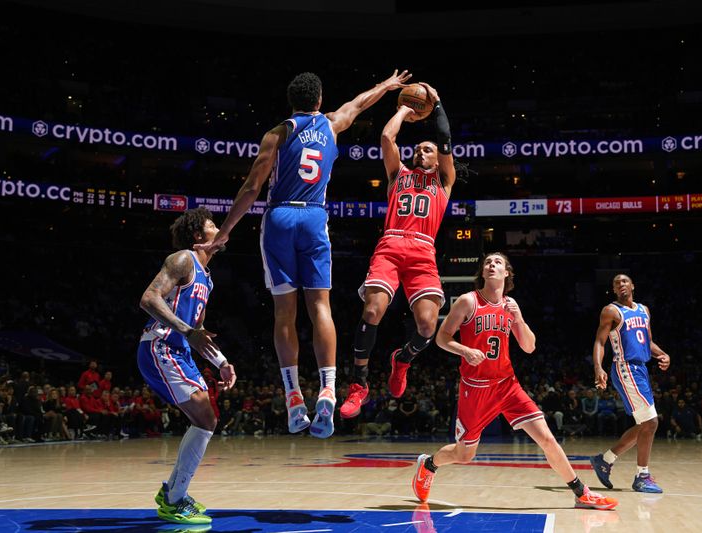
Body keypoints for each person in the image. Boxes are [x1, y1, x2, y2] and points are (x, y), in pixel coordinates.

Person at [196, 70, 411, 438]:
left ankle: (294, 397)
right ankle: (328, 388)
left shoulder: (276, 133)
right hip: (314, 216)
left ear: (290, 101)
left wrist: (225, 232)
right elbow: (359, 103)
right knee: (320, 308)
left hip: (279, 216)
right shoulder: (330, 124)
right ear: (320, 99)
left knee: (285, 312)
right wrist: (386, 86)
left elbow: (251, 187)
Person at [412, 252, 617, 510]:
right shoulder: (467, 301)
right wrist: (464, 350)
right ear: (483, 272)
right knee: (464, 454)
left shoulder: (511, 306)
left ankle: (580, 492)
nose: (491, 265)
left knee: (546, 437)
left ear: (507, 272)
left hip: (507, 385)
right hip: (475, 389)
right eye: (487, 262)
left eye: (497, 262)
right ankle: (428, 465)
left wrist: (518, 318)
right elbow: (443, 338)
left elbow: (529, 347)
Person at [341, 83, 457, 418]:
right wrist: (406, 109)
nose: (420, 152)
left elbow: (446, 138)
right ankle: (358, 384)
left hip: (423, 251)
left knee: (426, 327)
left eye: (427, 150)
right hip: (390, 245)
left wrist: (435, 105)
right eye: (418, 149)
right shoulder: (398, 174)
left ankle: (401, 359)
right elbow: (387, 139)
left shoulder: (444, 181)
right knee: (373, 311)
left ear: (438, 161)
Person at [138, 207, 236, 525]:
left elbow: (199, 334)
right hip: (160, 346)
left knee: (207, 419)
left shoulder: (207, 280)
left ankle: (173, 493)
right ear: (198, 236)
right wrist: (187, 331)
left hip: (180, 351)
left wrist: (222, 363)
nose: (219, 229)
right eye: (212, 225)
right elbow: (149, 298)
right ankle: (174, 498)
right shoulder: (182, 259)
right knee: (205, 416)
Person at [589, 274, 671, 494]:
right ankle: (642, 476)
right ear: (614, 290)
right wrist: (598, 367)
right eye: (616, 283)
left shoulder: (644, 310)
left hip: (641, 369)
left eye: (624, 281)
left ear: (632, 285)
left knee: (645, 423)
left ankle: (605, 460)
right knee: (651, 422)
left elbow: (648, 341)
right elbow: (600, 341)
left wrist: (662, 354)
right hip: (625, 368)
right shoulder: (611, 311)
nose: (620, 285)